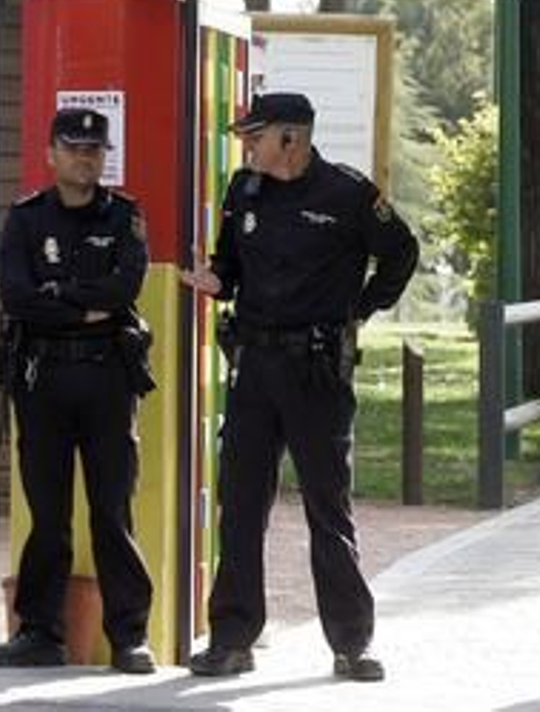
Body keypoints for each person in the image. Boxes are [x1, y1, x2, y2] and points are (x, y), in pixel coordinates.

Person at [180, 92, 418, 683]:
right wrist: (216, 280)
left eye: (255, 136)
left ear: (290, 139)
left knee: (327, 507)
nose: (246, 146)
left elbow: (401, 253)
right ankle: (232, 639)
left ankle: (352, 643)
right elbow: (230, 264)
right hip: (255, 366)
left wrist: (360, 309)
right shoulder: (245, 191)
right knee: (240, 503)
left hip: (316, 372)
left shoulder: (347, 193)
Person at [0, 108, 157, 674]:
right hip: (43, 379)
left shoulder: (124, 216)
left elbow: (124, 288)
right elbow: (17, 295)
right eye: (74, 148)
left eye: (94, 149)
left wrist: (56, 296)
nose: (85, 158)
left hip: (107, 379)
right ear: (51, 154)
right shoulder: (27, 218)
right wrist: (83, 306)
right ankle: (39, 632)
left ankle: (129, 637)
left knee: (112, 511)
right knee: (47, 514)